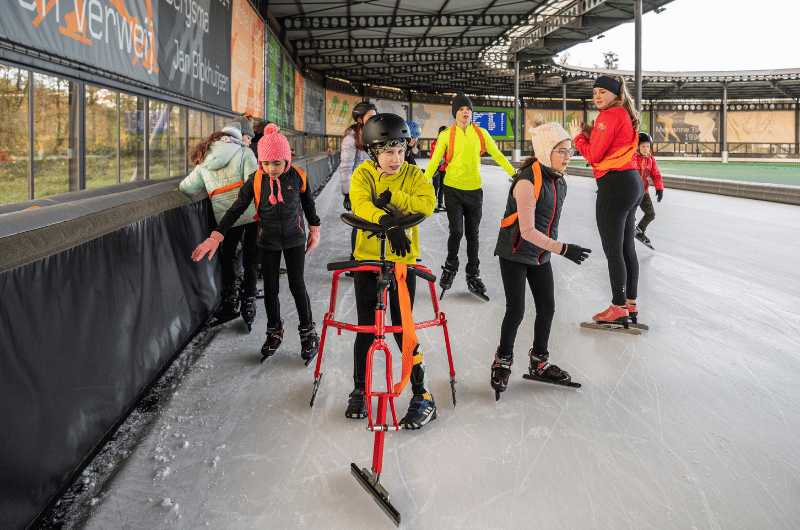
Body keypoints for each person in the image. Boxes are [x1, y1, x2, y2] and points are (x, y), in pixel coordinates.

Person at [191, 124, 322, 364]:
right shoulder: (256, 180)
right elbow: (236, 209)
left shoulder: (299, 176)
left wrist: (315, 230)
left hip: (294, 239)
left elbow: (309, 206)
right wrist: (216, 235)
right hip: (268, 241)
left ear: (287, 160)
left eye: (277, 163)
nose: (271, 169)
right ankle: (274, 330)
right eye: (266, 163)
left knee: (297, 286)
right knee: (271, 289)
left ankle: (308, 332)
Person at [347, 113, 437, 430]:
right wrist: (386, 220)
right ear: (374, 152)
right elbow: (359, 204)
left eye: (400, 150)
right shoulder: (363, 174)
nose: (395, 159)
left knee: (402, 328)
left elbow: (427, 203)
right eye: (388, 151)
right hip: (368, 261)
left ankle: (422, 394)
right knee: (367, 328)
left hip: (401, 262)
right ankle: (360, 389)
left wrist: (395, 200)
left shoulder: (413, 174)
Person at [491, 117, 591, 395]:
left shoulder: (560, 182)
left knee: (547, 308)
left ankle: (539, 362)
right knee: (517, 310)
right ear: (546, 151)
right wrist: (563, 249)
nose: (568, 156)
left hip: (540, 255)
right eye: (562, 151)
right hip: (514, 252)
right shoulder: (525, 182)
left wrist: (552, 249)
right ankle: (502, 360)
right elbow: (526, 231)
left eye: (570, 151)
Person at [424, 93, 517, 301]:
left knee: (473, 234)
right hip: (452, 190)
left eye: (468, 109)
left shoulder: (481, 133)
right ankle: (450, 266)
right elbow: (434, 162)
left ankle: (473, 273)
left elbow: (498, 154)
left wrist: (513, 173)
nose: (465, 112)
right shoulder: (446, 135)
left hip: (474, 191)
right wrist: (422, 182)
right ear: (455, 113)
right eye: (460, 109)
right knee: (456, 231)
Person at [568, 74, 643, 326]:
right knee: (626, 249)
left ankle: (617, 307)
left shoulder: (608, 116)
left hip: (614, 185)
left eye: (603, 92)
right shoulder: (622, 114)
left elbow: (594, 154)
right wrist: (590, 131)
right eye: (595, 92)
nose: (597, 96)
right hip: (632, 183)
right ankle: (630, 304)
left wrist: (578, 137)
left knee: (613, 252)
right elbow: (609, 143)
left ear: (616, 95)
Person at [180, 122, 260, 330]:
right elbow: (255, 185)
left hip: (225, 219)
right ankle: (249, 301)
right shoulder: (245, 154)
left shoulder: (205, 158)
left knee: (228, 258)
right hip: (250, 213)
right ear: (238, 137)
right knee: (252, 259)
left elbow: (187, 188)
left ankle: (231, 300)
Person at [340, 101, 378, 260]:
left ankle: (370, 254)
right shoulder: (351, 139)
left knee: (373, 221)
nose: (374, 119)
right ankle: (355, 258)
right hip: (358, 187)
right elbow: (346, 167)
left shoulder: (374, 134)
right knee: (361, 223)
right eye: (371, 116)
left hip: (374, 186)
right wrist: (347, 193)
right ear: (360, 119)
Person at [632, 132, 664, 247]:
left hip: (643, 192)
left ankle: (639, 230)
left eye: (648, 146)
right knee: (630, 216)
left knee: (651, 214)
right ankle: (625, 233)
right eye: (643, 146)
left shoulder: (650, 160)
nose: (646, 149)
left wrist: (659, 189)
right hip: (631, 193)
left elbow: (656, 175)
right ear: (637, 147)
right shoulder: (632, 157)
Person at [430, 125, 448, 212]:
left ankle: (440, 203)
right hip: (437, 169)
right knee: (435, 187)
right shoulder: (434, 144)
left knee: (443, 187)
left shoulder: (449, 145)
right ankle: (433, 205)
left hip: (445, 169)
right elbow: (433, 158)